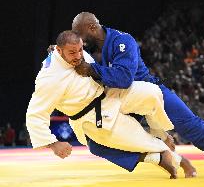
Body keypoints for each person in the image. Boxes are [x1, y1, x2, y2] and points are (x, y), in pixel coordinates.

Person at [70, 12, 204, 177]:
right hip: (124, 101)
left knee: (194, 127)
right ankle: (168, 158)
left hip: (151, 93)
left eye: (79, 34)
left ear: (92, 27)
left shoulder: (123, 41)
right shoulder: (97, 50)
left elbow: (123, 78)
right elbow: (81, 62)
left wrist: (92, 70)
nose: (78, 40)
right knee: (96, 143)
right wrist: (60, 53)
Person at [26, 30, 195, 179]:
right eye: (72, 53)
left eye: (80, 50)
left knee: (152, 92)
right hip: (93, 118)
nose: (78, 56)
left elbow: (69, 47)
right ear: (59, 50)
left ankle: (161, 134)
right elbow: (35, 114)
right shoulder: (49, 78)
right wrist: (53, 144)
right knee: (142, 141)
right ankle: (177, 159)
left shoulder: (70, 51)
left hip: (109, 94)